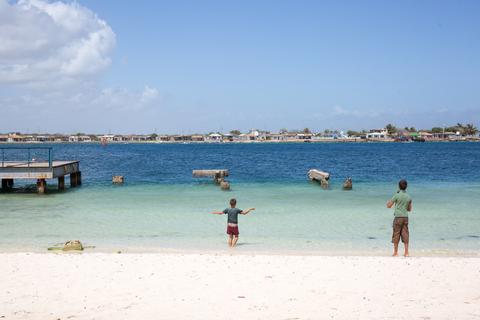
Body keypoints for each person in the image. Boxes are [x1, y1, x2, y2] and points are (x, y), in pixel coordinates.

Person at [387, 179, 412, 257]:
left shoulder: (396, 195)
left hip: (398, 217)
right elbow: (409, 209)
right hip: (405, 217)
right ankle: (406, 252)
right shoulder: (408, 196)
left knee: (396, 234)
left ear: (398, 186)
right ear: (406, 187)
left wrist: (388, 202)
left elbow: (389, 205)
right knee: (405, 234)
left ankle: (395, 253)